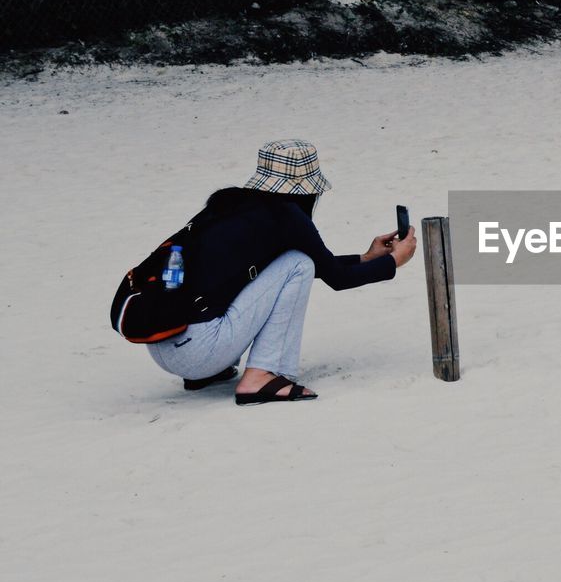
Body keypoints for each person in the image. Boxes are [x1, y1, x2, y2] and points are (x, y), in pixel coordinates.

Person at [146, 139, 417, 405]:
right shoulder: (286, 215)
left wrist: (367, 258)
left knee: (292, 265)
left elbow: (289, 275)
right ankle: (261, 376)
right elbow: (335, 278)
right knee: (299, 263)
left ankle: (215, 372)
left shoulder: (229, 204)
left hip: (164, 345)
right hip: (201, 351)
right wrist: (394, 262)